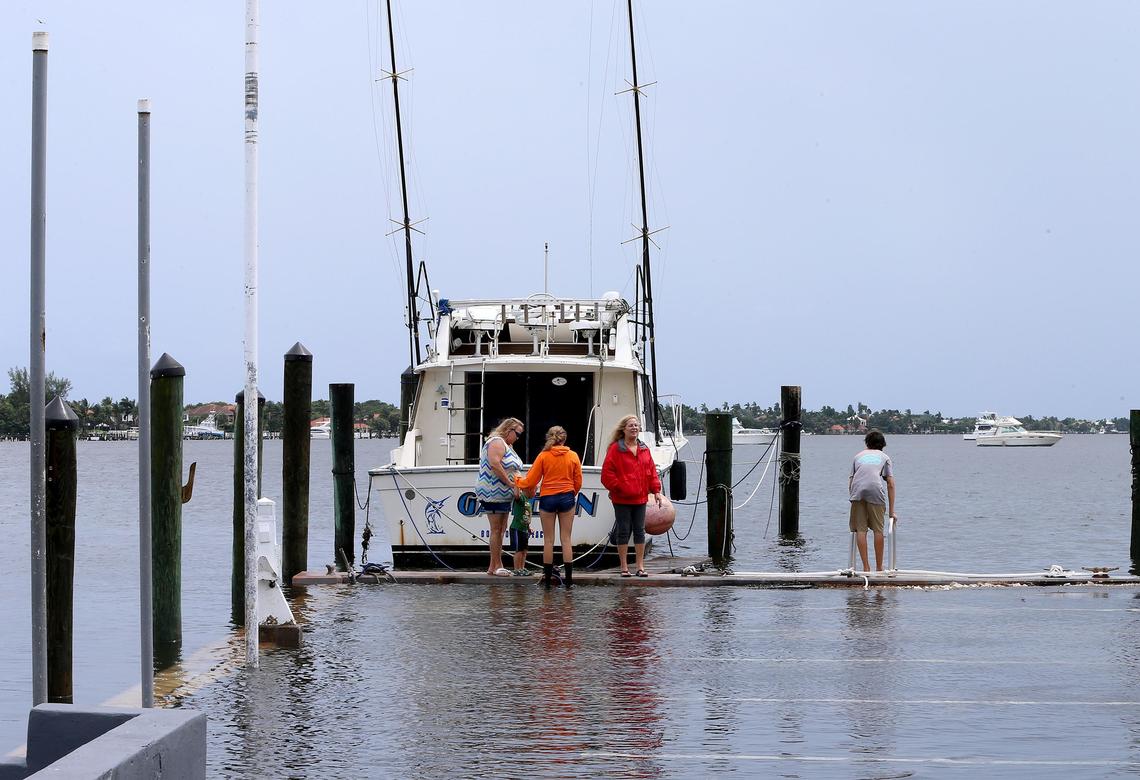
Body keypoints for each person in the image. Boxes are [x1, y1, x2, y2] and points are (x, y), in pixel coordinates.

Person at [513, 426, 583, 589]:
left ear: (549, 438)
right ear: (564, 439)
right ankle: (569, 581)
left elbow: (530, 481)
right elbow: (578, 480)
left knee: (548, 540)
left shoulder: (543, 456)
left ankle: (547, 582)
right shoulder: (573, 456)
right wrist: (572, 493)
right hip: (566, 496)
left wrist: (516, 480)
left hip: (548, 498)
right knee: (566, 539)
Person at [601, 415, 663, 578]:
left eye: (636, 425)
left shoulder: (644, 449)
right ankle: (624, 566)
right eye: (631, 425)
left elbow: (651, 472)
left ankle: (640, 566)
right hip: (621, 498)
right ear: (624, 429)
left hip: (640, 498)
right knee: (623, 531)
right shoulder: (615, 449)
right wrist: (619, 487)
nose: (634, 428)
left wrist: (656, 490)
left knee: (639, 531)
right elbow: (607, 474)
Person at [476, 417, 524, 576]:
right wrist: (510, 484)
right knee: (496, 529)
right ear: (508, 430)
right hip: (493, 492)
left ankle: (494, 565)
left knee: (501, 529)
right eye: (517, 434)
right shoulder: (497, 442)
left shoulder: (507, 445)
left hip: (503, 494)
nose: (518, 438)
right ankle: (496, 566)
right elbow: (494, 464)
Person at [848, 429, 897, 572]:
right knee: (878, 530)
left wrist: (853, 498)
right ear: (882, 445)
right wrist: (892, 512)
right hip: (875, 490)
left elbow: (851, 481)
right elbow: (891, 484)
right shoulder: (884, 457)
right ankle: (880, 568)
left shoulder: (858, 457)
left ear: (867, 444)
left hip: (857, 491)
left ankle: (866, 568)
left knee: (861, 530)